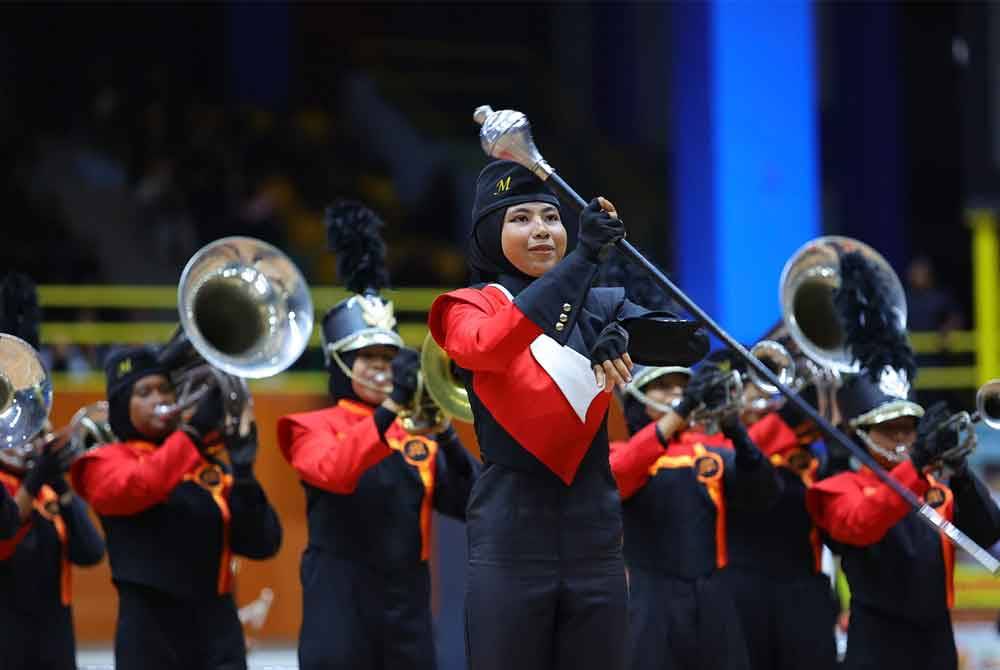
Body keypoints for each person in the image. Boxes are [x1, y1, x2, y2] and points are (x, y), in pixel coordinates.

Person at [427, 160, 708, 670]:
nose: (540, 230)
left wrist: (631, 334)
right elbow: (489, 346)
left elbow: (691, 343)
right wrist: (582, 258)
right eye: (520, 219)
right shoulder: (465, 307)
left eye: (551, 218)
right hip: (510, 548)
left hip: (595, 547)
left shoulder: (600, 303)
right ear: (490, 233)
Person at [277, 201, 480, 670]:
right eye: (369, 359)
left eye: (390, 359)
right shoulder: (308, 427)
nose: (383, 371)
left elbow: (474, 504)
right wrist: (391, 409)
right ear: (342, 366)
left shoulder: (418, 432)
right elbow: (336, 470)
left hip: (408, 602)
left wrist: (447, 435)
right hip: (340, 599)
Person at [805, 251, 1000, 670]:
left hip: (936, 640)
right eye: (889, 429)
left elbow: (987, 532)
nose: (901, 438)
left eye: (908, 429)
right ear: (861, 433)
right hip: (877, 642)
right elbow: (861, 523)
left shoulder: (936, 480)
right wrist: (920, 463)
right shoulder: (838, 486)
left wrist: (961, 472)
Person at [71, 346, 282, 670]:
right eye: (144, 392)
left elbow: (263, 544)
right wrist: (192, 435)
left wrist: (244, 474)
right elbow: (141, 485)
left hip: (218, 634)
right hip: (151, 637)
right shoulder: (102, 462)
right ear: (121, 405)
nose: (159, 398)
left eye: (165, 388)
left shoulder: (204, 465)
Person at [611, 358, 780, 670]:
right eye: (663, 386)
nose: (676, 392)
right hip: (652, 601)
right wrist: (684, 407)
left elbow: (763, 494)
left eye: (684, 386)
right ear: (637, 397)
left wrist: (735, 429)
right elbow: (621, 473)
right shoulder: (622, 451)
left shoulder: (709, 450)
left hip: (714, 598)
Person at [0, 272, 105, 670]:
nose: (24, 441)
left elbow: (91, 552)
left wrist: (59, 485)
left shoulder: (44, 488)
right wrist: (34, 477)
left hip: (54, 638)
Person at [708, 351, 839, 670]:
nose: (762, 402)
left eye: (768, 393)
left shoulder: (805, 451)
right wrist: (782, 420)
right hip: (740, 589)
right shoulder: (717, 444)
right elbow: (744, 456)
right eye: (751, 393)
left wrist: (827, 392)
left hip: (803, 591)